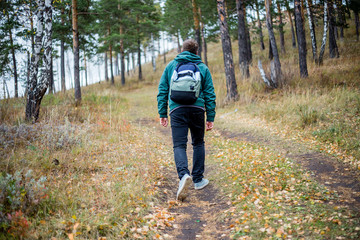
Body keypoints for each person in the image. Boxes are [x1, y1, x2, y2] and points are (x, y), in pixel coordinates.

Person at [157, 39, 216, 201]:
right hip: (197, 109)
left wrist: (162, 112)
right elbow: (210, 93)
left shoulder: (171, 66)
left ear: (182, 50)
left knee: (179, 145)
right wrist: (210, 116)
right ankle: (197, 179)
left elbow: (162, 90)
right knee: (198, 143)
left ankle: (183, 176)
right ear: (196, 52)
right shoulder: (202, 67)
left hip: (177, 110)